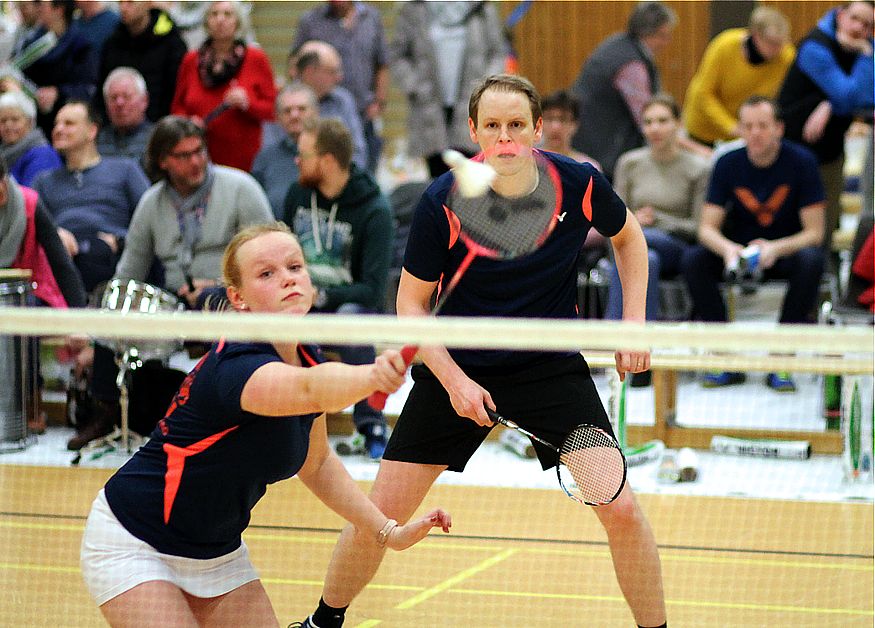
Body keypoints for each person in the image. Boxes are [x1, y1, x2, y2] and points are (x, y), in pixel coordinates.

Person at [296, 74, 667, 628]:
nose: (505, 138)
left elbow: (629, 237)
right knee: (381, 513)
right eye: (492, 126)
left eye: (517, 125)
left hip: (549, 371)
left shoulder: (579, 183)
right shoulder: (443, 199)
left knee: (622, 508)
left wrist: (633, 324)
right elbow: (411, 306)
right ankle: (322, 623)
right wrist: (454, 382)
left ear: (538, 129)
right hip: (458, 370)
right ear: (473, 131)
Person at [80, 221, 452, 627]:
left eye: (295, 267)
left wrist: (385, 531)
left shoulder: (306, 354)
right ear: (238, 298)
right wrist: (371, 377)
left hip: (217, 555)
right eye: (267, 273)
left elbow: (317, 464)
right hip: (136, 541)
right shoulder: (235, 368)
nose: (288, 280)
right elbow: (309, 391)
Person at [74, 115, 274, 452]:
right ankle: (106, 414)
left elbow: (268, 258)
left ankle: (230, 420)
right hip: (175, 303)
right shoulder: (151, 203)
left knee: (214, 298)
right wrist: (106, 323)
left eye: (199, 151)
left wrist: (222, 285)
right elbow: (130, 271)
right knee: (116, 303)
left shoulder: (241, 188)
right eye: (183, 155)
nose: (196, 161)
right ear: (163, 161)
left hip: (231, 297)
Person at [681, 97, 826, 392]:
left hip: (784, 251)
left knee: (812, 260)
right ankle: (724, 356)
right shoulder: (727, 163)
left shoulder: (802, 162)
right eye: (748, 126)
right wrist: (727, 249)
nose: (755, 133)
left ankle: (781, 358)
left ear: (779, 129)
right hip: (738, 251)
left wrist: (774, 248)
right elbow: (706, 228)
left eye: (763, 126)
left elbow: (815, 233)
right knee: (694, 260)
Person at [282, 117, 394, 460]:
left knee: (351, 320)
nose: (297, 162)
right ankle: (278, 422)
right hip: (297, 301)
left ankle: (371, 423)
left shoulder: (375, 210)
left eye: (304, 155)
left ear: (327, 161)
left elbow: (373, 290)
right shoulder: (297, 194)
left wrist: (321, 296)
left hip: (348, 305)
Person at [605, 94, 711, 354]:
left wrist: (660, 221)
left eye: (663, 121)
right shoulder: (629, 163)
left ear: (678, 124)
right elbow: (614, 214)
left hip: (674, 246)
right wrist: (631, 221)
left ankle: (612, 342)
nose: (655, 128)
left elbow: (698, 227)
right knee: (645, 258)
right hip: (631, 241)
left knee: (643, 247)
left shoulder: (698, 168)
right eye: (649, 122)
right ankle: (640, 350)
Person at [778, 0, 874, 254]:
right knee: (793, 226)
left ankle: (824, 284)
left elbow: (867, 100)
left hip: (830, 152)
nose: (858, 28)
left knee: (827, 228)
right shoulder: (815, 46)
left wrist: (828, 104)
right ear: (840, 15)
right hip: (793, 151)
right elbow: (849, 98)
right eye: (855, 18)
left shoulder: (864, 47)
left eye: (868, 25)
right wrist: (836, 100)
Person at [33, 100, 149, 294]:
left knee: (96, 252)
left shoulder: (125, 169)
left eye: (68, 123)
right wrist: (54, 233)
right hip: (63, 253)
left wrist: (121, 241)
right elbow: (29, 226)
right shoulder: (43, 180)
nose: (58, 129)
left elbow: (151, 219)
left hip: (110, 254)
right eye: (56, 124)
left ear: (92, 131)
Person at [388, 0, 505, 178]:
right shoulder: (415, 8)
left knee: (470, 177)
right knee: (437, 180)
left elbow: (497, 54)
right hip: (429, 107)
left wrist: (486, 87)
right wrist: (414, 85)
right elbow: (397, 54)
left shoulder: (481, 8)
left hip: (472, 104)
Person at [570, 1, 677, 180]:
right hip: (604, 154)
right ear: (650, 33)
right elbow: (647, 117)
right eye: (664, 35)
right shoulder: (631, 65)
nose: (667, 42)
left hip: (588, 142)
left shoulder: (617, 45)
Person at [170, 0, 276, 172]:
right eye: (214, 14)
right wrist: (187, 122)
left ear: (238, 22)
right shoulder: (191, 60)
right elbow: (177, 107)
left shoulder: (256, 58)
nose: (220, 20)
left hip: (243, 159)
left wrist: (247, 103)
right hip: (198, 155)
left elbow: (272, 110)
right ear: (206, 21)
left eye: (227, 14)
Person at [291, 0, 389, 173]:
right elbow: (295, 63)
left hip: (364, 109)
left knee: (363, 166)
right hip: (325, 107)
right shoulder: (311, 20)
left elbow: (382, 62)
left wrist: (379, 101)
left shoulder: (371, 18)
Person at [97, 0, 187, 123]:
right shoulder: (112, 43)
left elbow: (177, 93)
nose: (123, 8)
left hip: (160, 125)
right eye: (120, 2)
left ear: (148, 3)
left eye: (130, 2)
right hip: (116, 128)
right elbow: (102, 90)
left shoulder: (171, 43)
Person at [20, 0, 98, 137]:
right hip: (35, 122)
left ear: (59, 9)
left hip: (67, 121)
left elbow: (87, 88)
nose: (38, 9)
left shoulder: (81, 46)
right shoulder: (31, 43)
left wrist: (58, 93)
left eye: (43, 5)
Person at [292, 40, 367, 171]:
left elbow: (358, 152)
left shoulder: (343, 100)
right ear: (310, 72)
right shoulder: (286, 102)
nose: (339, 78)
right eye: (332, 71)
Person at [251, 82, 318, 218]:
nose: (294, 115)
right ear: (278, 117)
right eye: (287, 110)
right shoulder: (265, 158)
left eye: (301, 109)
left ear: (315, 112)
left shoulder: (329, 154)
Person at [0, 90, 62, 186]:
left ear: (30, 122)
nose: (8, 125)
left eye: (15, 120)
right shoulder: (4, 152)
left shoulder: (42, 154)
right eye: (3, 121)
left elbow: (34, 196)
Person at [96, 67, 153, 166]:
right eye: (113, 98)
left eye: (127, 96)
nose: (119, 103)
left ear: (144, 100)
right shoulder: (96, 142)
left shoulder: (157, 139)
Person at [539, 89, 602, 171]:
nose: (556, 126)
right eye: (549, 118)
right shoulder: (525, 164)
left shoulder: (588, 168)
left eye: (563, 119)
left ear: (575, 125)